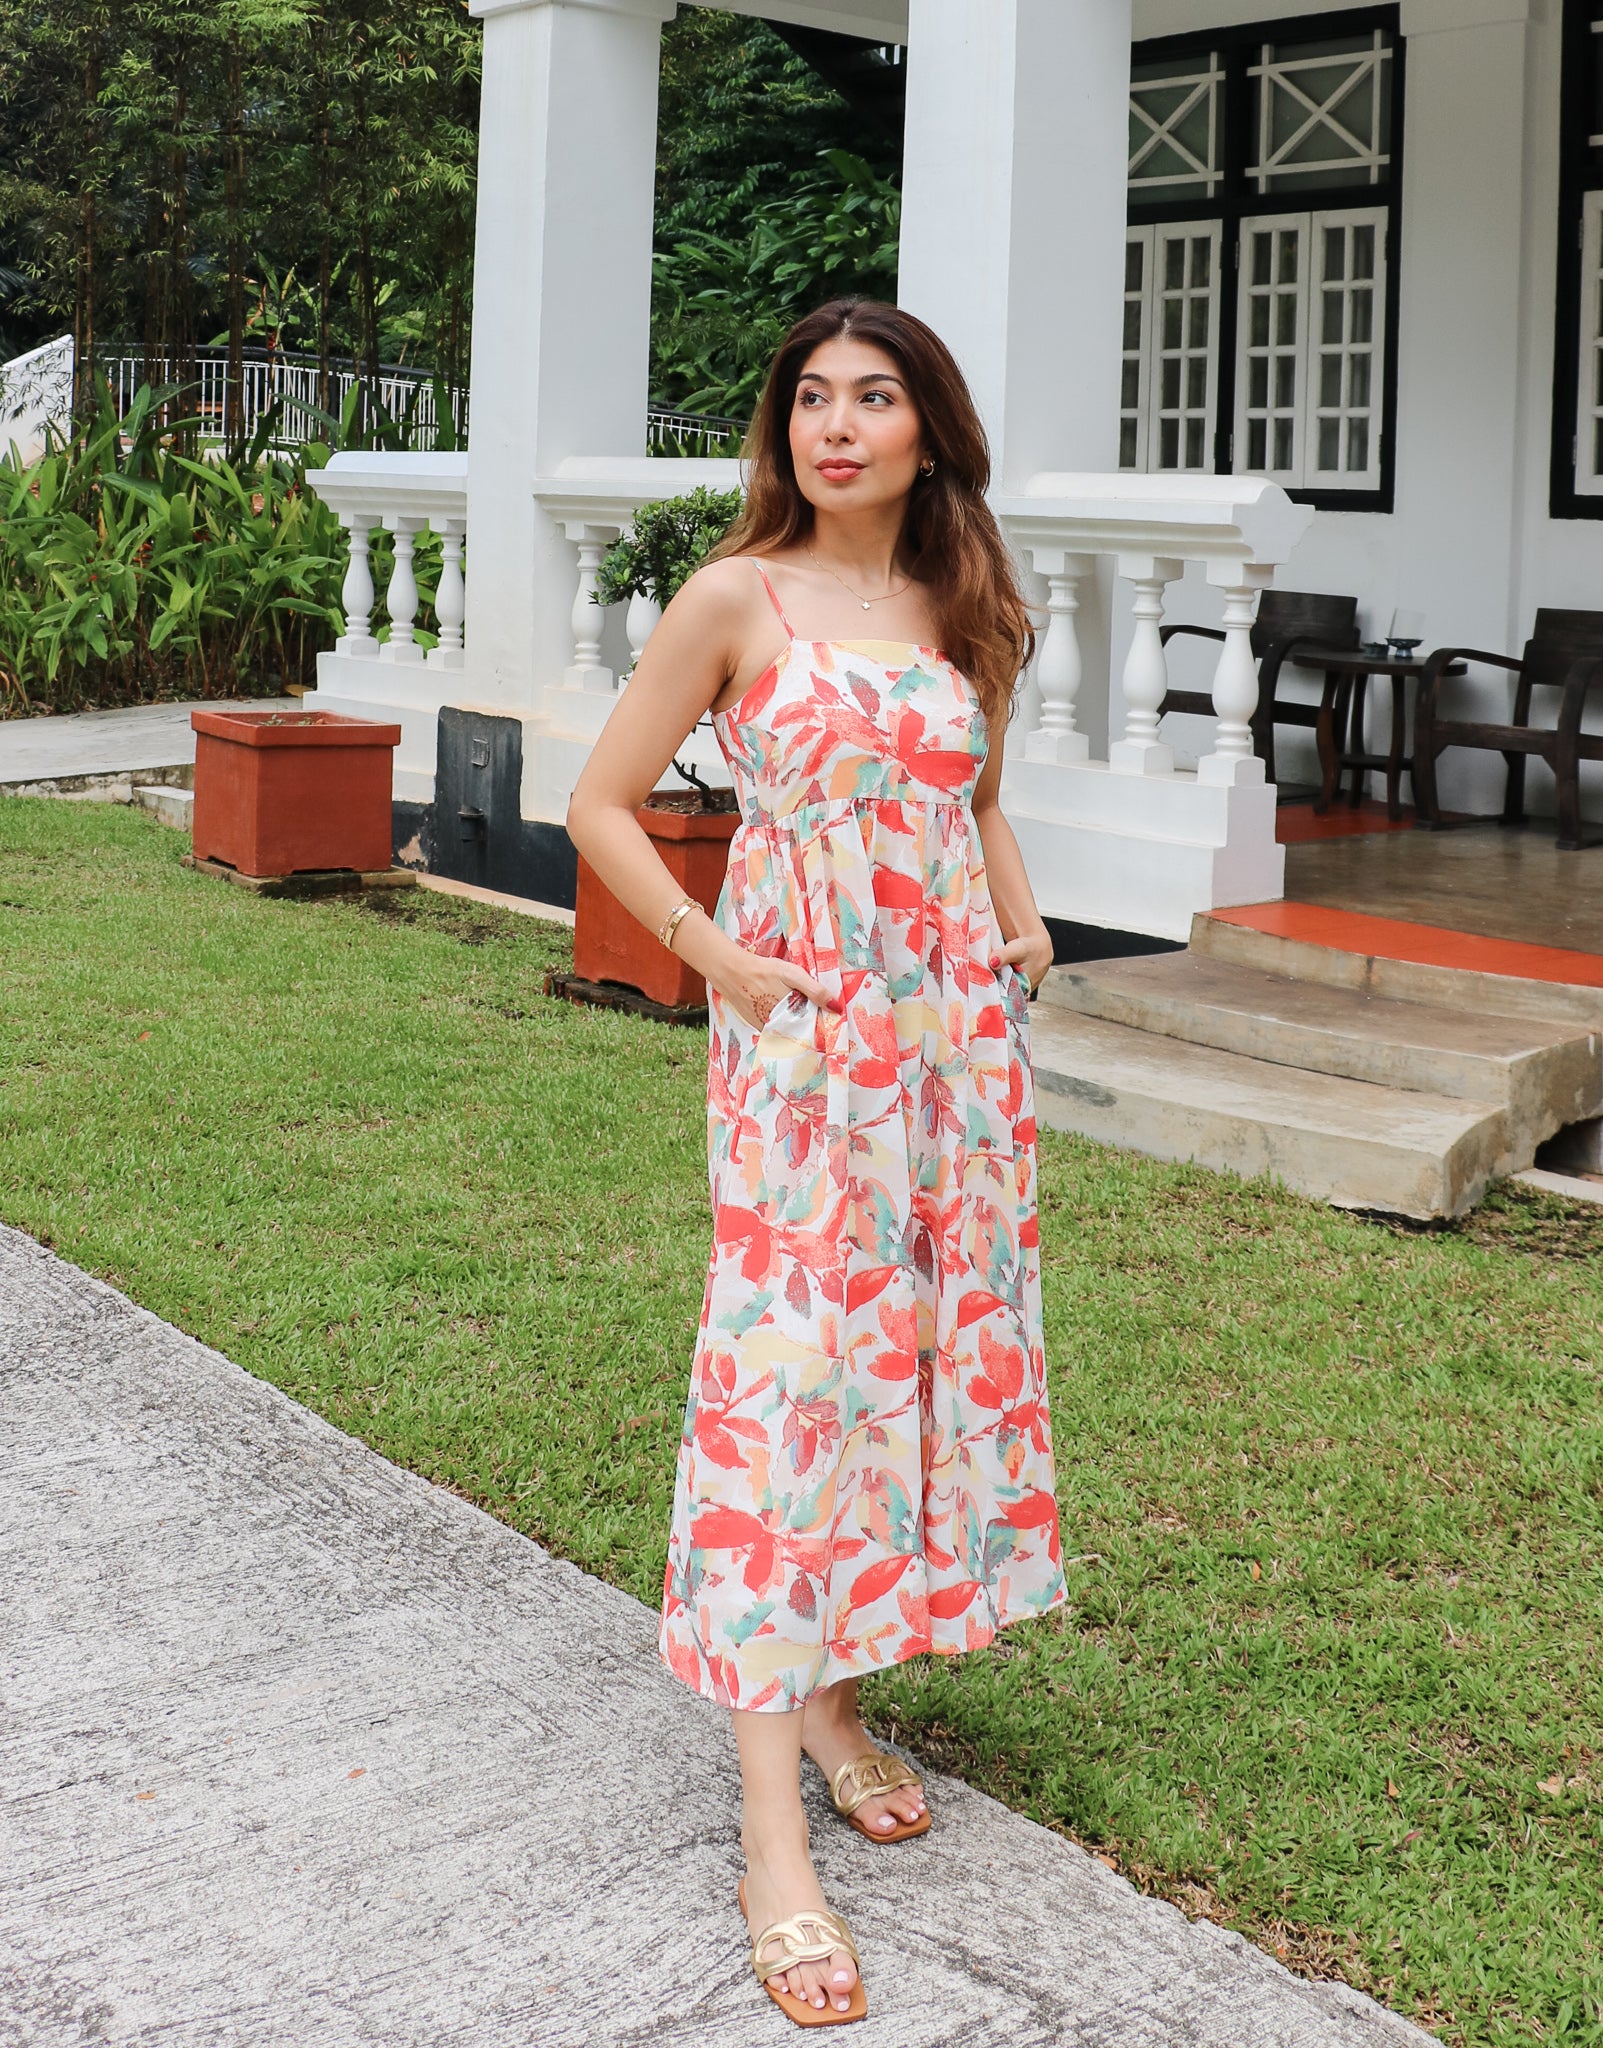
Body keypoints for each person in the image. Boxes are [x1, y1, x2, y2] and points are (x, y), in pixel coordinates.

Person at [566, 298, 1067, 2028]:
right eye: (809, 398)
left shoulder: (963, 595)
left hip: (954, 1061)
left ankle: (846, 1701)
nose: (835, 426)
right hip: (802, 1053)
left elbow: (974, 786)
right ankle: (773, 1837)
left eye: (873, 398)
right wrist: (722, 961)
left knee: (908, 1372)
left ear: (929, 428)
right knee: (788, 1391)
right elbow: (602, 805)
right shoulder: (735, 597)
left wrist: (1017, 919)